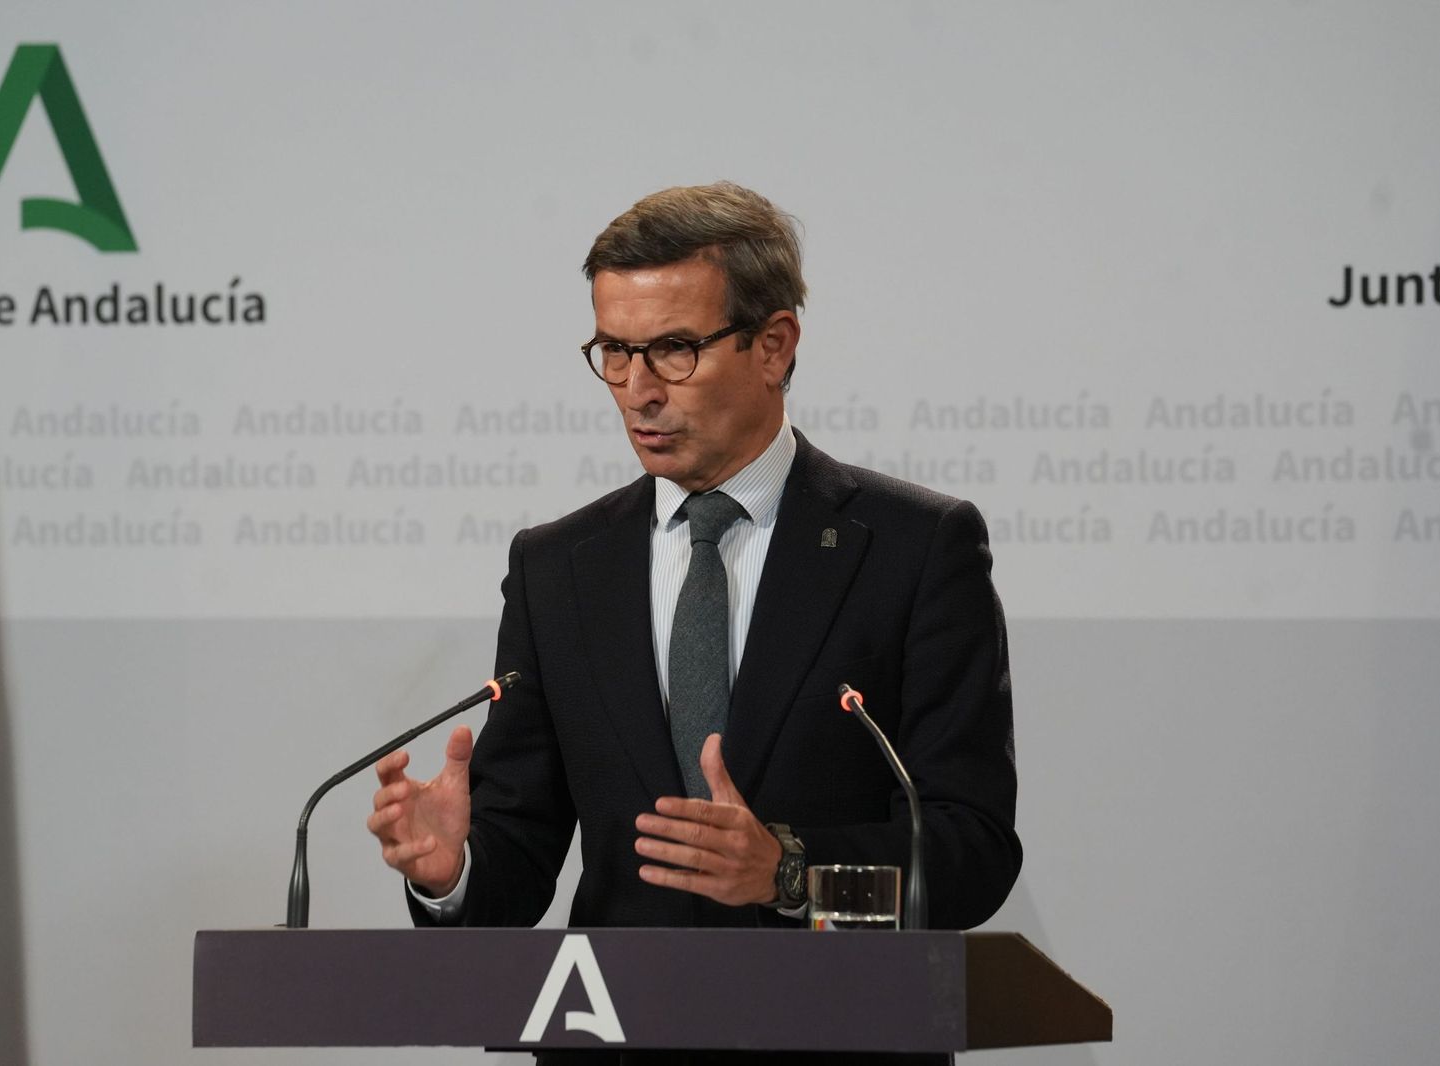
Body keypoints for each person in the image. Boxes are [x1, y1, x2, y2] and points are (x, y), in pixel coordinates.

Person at [367, 182, 1020, 1063]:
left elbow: (971, 844)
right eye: (614, 352)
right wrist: (455, 872)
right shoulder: (558, 567)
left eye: (674, 350)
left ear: (775, 345)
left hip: (838, 1042)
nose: (637, 391)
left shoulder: (914, 549)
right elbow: (519, 858)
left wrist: (786, 869)